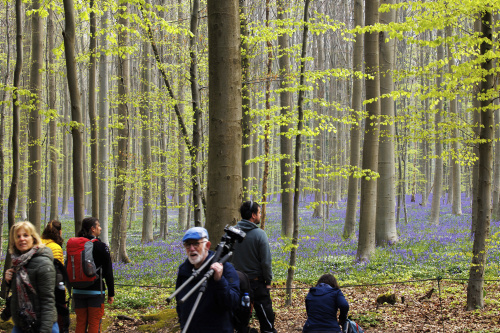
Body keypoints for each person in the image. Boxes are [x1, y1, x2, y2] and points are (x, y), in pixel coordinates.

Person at [175, 227, 240, 333]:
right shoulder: (184, 270)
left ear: (207, 246)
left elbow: (232, 303)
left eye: (196, 243)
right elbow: (180, 301)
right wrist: (183, 324)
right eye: (187, 244)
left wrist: (219, 280)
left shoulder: (225, 268)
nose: (191, 249)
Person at [4, 221, 59, 332]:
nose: (22, 239)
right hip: (22, 324)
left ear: (33, 238)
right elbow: (18, 295)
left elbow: (48, 301)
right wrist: (8, 281)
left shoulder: (43, 263)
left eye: (26, 235)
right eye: (18, 236)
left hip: (43, 326)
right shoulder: (18, 263)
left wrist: (45, 330)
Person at [232, 200, 278, 333]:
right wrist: (268, 281)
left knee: (240, 322)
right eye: (259, 212)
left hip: (237, 284)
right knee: (266, 319)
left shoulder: (231, 233)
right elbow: (266, 262)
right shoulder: (260, 234)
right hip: (256, 284)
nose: (260, 215)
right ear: (253, 215)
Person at [72, 217, 114, 333]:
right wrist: (111, 293)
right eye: (98, 226)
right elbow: (108, 272)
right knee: (94, 324)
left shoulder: (76, 245)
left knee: (80, 323)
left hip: (77, 291)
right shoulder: (101, 246)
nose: (100, 228)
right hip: (95, 291)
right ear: (93, 229)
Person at [41, 220, 70, 333]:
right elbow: (59, 272)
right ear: (60, 232)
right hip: (53, 289)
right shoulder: (56, 247)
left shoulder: (38, 243)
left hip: (39, 288)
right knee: (58, 318)